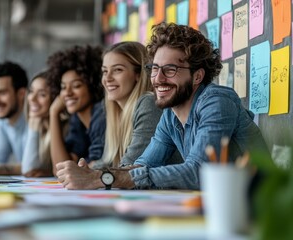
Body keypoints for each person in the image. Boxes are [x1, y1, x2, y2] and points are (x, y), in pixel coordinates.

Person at [57, 22, 271, 190]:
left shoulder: (217, 102)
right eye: (154, 68)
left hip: (262, 211)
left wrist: (104, 178)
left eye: (170, 70)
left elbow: (199, 172)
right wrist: (95, 176)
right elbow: (142, 165)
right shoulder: (170, 116)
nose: (158, 79)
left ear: (197, 76)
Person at [55, 41, 169, 189]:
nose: (107, 78)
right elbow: (108, 163)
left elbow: (128, 171)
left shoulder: (148, 103)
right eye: (104, 71)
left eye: (117, 70)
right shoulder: (115, 112)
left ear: (138, 74)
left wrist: (88, 173)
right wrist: (84, 171)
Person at [47, 45, 106, 176]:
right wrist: (53, 112)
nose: (67, 93)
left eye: (76, 86)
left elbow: (95, 170)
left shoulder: (101, 114)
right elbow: (60, 170)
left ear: (93, 85)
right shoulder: (77, 120)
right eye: (63, 87)